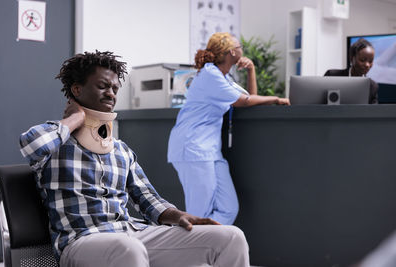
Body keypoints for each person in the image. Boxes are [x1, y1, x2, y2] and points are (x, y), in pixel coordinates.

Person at [19, 51, 250, 267]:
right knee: (128, 248)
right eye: (102, 86)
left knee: (230, 237)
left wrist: (179, 215)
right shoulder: (55, 143)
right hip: (81, 241)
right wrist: (74, 119)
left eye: (115, 89)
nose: (111, 93)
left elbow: (147, 199)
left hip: (131, 232)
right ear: (77, 90)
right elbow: (32, 145)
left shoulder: (121, 150)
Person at [167, 32, 290, 225]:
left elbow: (250, 97)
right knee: (199, 212)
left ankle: (202, 242)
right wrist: (276, 99)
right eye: (239, 45)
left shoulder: (224, 78)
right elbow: (244, 101)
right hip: (192, 148)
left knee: (228, 208)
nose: (242, 48)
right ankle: (191, 250)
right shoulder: (210, 74)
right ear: (232, 52)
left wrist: (251, 71)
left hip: (210, 151)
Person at [324, 38, 378, 104]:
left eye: (370, 61)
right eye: (362, 60)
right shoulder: (332, 76)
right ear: (352, 58)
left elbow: (374, 112)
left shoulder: (372, 86)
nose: (367, 65)